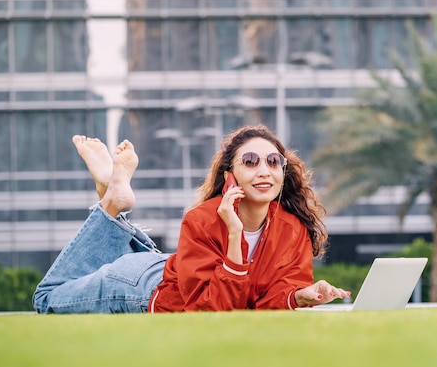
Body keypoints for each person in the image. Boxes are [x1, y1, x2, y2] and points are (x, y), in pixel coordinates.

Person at [33, 124, 350, 313]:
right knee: (46, 298)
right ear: (231, 176)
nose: (264, 170)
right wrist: (234, 234)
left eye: (273, 161)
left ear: (283, 171)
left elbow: (266, 299)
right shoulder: (202, 219)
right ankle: (112, 204)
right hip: (141, 286)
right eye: (250, 162)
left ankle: (110, 197)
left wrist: (298, 296)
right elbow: (212, 310)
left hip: (174, 266)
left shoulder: (291, 227)